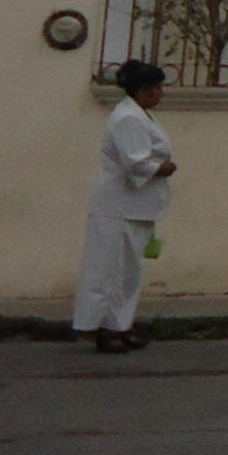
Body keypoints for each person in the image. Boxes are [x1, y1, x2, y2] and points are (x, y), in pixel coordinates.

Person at [73, 60, 178, 353]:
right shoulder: (127, 118)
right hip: (120, 206)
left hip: (137, 206)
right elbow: (136, 161)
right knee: (111, 270)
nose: (161, 93)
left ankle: (121, 325)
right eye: (157, 88)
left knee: (129, 272)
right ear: (142, 90)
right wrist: (164, 167)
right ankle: (105, 330)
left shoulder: (139, 115)